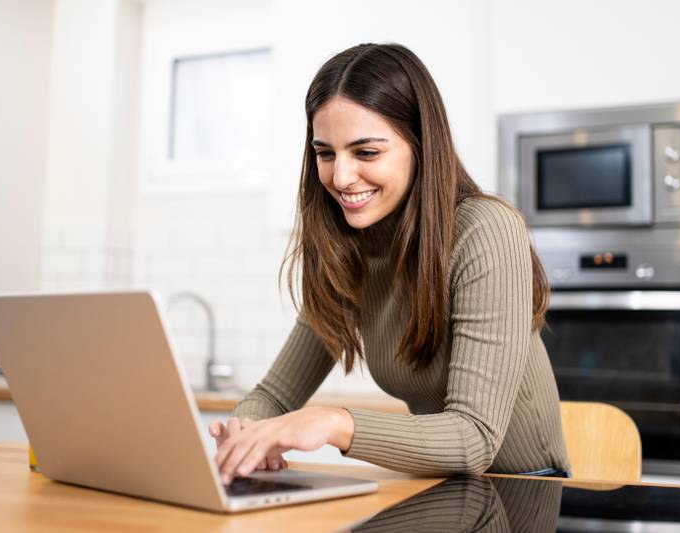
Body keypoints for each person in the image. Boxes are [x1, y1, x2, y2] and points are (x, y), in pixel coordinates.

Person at [209, 43, 570, 485]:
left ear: (420, 144)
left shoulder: (484, 230)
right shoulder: (347, 247)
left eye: (366, 153)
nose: (340, 178)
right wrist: (247, 431)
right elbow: (274, 395)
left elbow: (472, 438)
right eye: (326, 154)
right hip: (442, 490)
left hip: (525, 493)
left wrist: (334, 422)